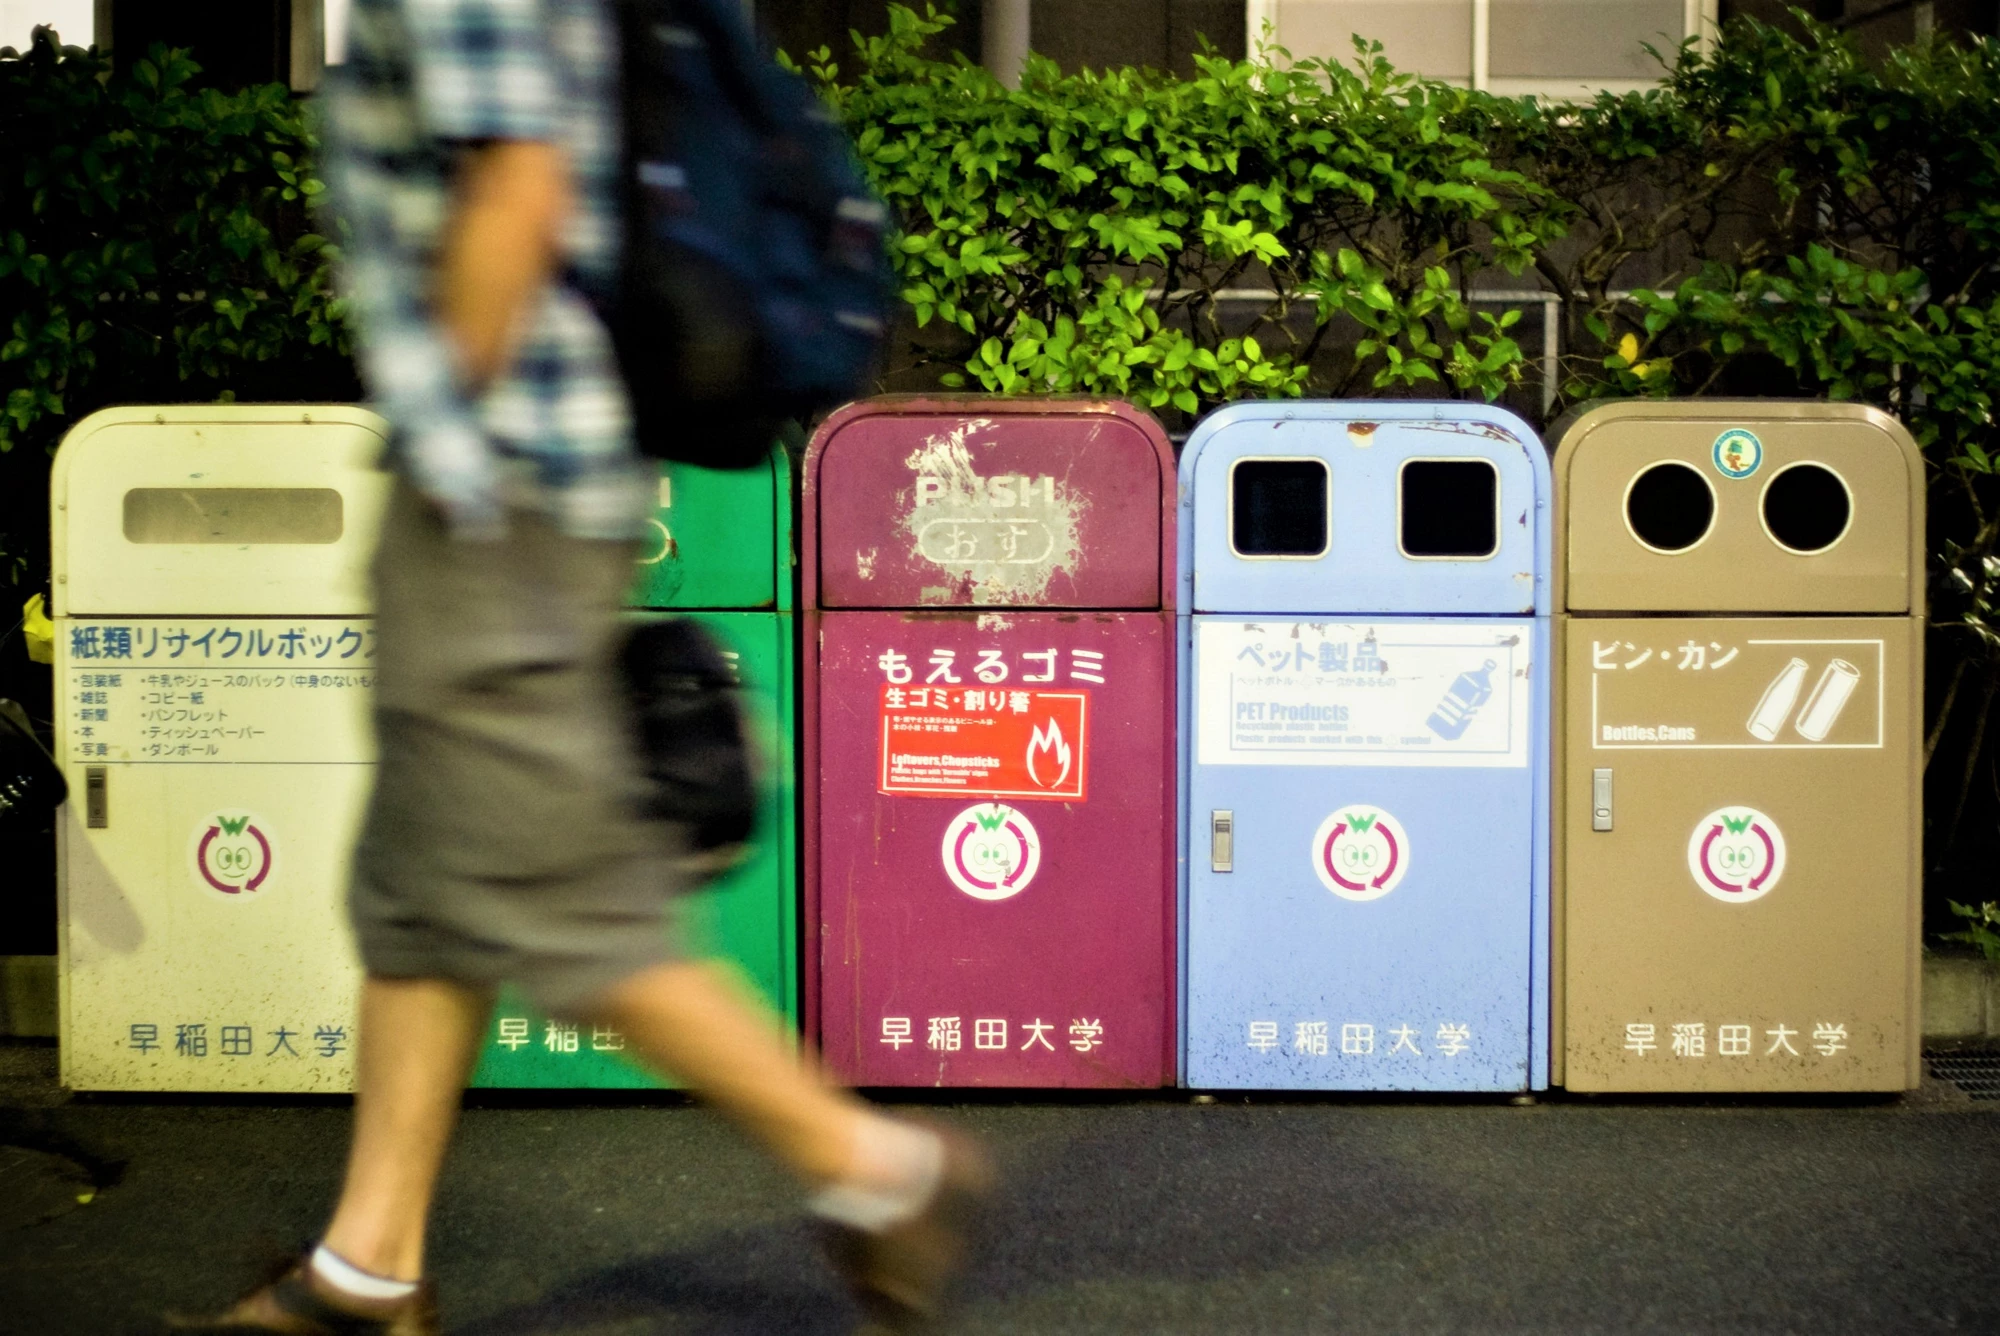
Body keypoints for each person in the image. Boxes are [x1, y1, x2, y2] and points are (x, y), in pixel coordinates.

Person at [176, 2, 989, 1333]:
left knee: (560, 905)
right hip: (526, 462)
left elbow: (521, 177)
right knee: (423, 888)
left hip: (498, 473)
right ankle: (367, 1271)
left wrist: (443, 460)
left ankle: (880, 1174)